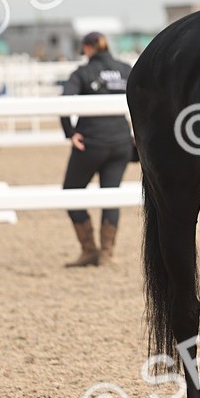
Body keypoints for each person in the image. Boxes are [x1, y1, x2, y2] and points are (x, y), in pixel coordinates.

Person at [61, 31, 134, 266]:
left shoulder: (83, 72)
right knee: (111, 195)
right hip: (121, 141)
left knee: (71, 193)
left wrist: (70, 132)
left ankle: (89, 249)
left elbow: (64, 101)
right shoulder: (125, 69)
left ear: (87, 48)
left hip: (90, 143)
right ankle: (107, 253)